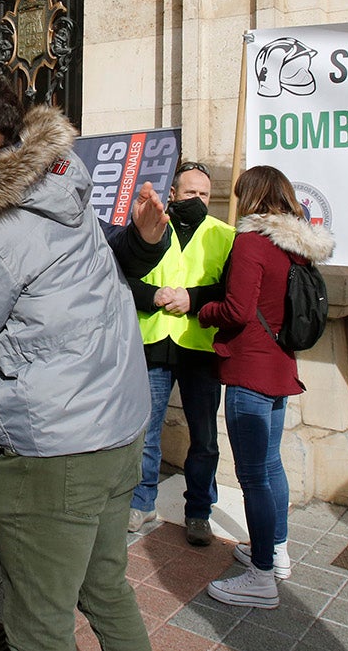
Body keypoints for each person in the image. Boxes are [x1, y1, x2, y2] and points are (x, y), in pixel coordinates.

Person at [0, 70, 167, 651]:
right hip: (118, 424)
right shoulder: (60, 186)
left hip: (55, 449)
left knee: (38, 625)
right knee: (106, 587)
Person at [199, 165, 333, 609]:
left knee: (253, 475)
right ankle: (275, 551)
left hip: (250, 373)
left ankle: (260, 578)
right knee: (271, 467)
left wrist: (203, 312)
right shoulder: (295, 249)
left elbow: (237, 310)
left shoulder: (251, 243)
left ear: (252, 197)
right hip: (279, 369)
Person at [127, 160, 234, 545]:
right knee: (146, 432)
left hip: (200, 347)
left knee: (204, 437)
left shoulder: (225, 234)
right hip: (155, 343)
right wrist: (155, 296)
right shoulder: (150, 229)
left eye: (204, 194)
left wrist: (193, 298)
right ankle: (142, 502)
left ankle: (199, 511)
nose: (198, 200)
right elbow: (126, 277)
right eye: (190, 193)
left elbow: (231, 291)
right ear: (173, 194)